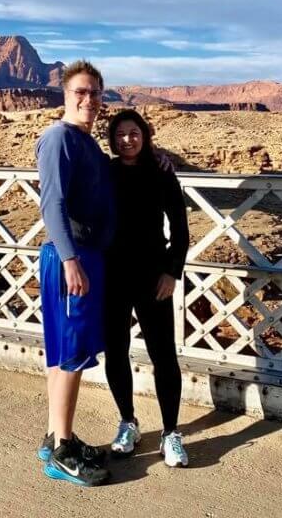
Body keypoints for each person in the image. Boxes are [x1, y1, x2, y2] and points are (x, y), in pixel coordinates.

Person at [34, 59, 115, 487]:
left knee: (66, 351)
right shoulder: (58, 138)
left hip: (83, 257)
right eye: (80, 92)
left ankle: (56, 437)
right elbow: (53, 204)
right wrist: (70, 260)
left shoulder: (88, 144)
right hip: (71, 259)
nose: (89, 100)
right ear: (65, 96)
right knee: (70, 355)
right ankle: (63, 453)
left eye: (95, 93)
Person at [103, 108, 190, 467]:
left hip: (154, 276)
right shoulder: (105, 173)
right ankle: (128, 422)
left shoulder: (161, 173)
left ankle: (171, 433)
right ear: (112, 139)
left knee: (163, 356)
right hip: (112, 276)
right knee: (116, 351)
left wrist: (173, 272)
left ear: (144, 134)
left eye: (134, 132)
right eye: (121, 134)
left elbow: (181, 230)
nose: (128, 139)